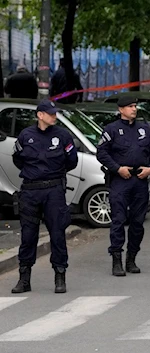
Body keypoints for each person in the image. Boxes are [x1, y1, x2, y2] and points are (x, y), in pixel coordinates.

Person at [11, 100, 78, 294]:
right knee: (28, 236)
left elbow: (71, 161)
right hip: (31, 191)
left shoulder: (63, 136)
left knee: (57, 234)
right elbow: (18, 159)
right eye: (50, 113)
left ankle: (59, 275)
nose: (54, 116)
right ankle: (24, 279)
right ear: (40, 115)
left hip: (54, 190)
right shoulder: (26, 136)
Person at [96, 96, 150, 277]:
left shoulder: (144, 129)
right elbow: (101, 152)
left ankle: (131, 258)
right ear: (121, 110)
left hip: (140, 179)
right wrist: (117, 169)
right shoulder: (112, 129)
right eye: (130, 106)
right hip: (120, 180)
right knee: (118, 220)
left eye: (135, 106)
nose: (134, 109)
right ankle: (116, 259)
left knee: (138, 222)